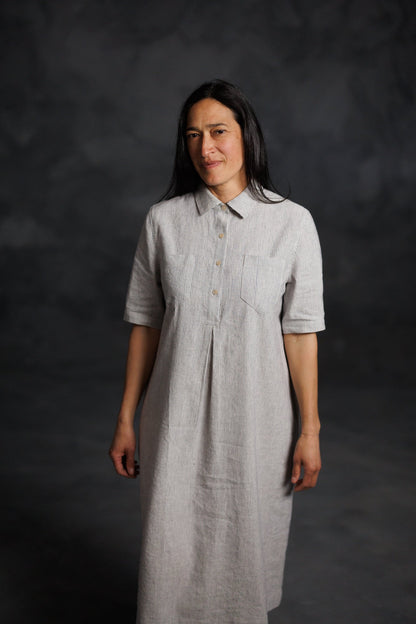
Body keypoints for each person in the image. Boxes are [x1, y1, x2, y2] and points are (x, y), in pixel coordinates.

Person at [109, 78, 325, 624]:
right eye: (193, 135)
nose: (206, 147)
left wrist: (310, 430)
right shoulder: (163, 222)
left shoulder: (292, 223)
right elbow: (146, 326)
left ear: (246, 135)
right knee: (171, 547)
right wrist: (126, 419)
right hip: (173, 420)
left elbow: (301, 333)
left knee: (245, 552)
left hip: (259, 422)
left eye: (218, 131)